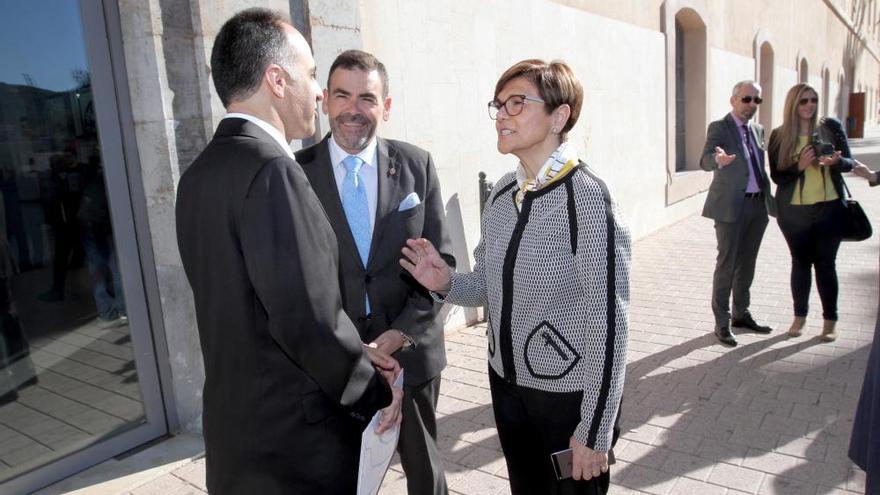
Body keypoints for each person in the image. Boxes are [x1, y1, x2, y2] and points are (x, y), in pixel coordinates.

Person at [175, 9, 402, 494]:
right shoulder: (273, 170)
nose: (320, 92)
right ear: (276, 80)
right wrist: (372, 390)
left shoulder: (198, 175)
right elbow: (305, 318)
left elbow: (254, 308)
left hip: (238, 437)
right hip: (295, 446)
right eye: (314, 75)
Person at [400, 59, 629, 495]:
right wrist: (445, 280)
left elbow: (610, 326)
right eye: (499, 104)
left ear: (559, 116)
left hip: (567, 396)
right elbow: (485, 286)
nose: (502, 114)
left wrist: (596, 430)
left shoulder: (588, 198)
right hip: (506, 385)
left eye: (517, 103)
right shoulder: (504, 193)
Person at [295, 49, 453, 495]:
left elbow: (443, 267)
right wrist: (347, 345)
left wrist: (400, 334)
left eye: (367, 98)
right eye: (342, 95)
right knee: (340, 478)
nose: (353, 109)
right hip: (333, 363)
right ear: (324, 101)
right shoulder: (293, 175)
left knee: (426, 476)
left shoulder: (416, 165)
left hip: (411, 356)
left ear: (385, 106)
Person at [767, 83, 854, 342]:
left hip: (830, 208)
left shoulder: (831, 128)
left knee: (826, 265)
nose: (809, 105)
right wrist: (799, 166)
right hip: (794, 213)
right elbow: (777, 176)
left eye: (813, 100)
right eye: (804, 101)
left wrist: (836, 162)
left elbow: (849, 163)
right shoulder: (780, 135)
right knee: (800, 263)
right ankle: (799, 317)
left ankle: (830, 321)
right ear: (793, 104)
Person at [700, 80, 777, 347]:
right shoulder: (720, 127)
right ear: (733, 100)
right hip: (731, 206)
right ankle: (722, 321)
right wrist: (717, 161)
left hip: (757, 206)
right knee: (727, 264)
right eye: (747, 99)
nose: (752, 105)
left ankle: (741, 313)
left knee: (748, 263)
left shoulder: (758, 129)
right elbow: (704, 159)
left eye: (757, 100)